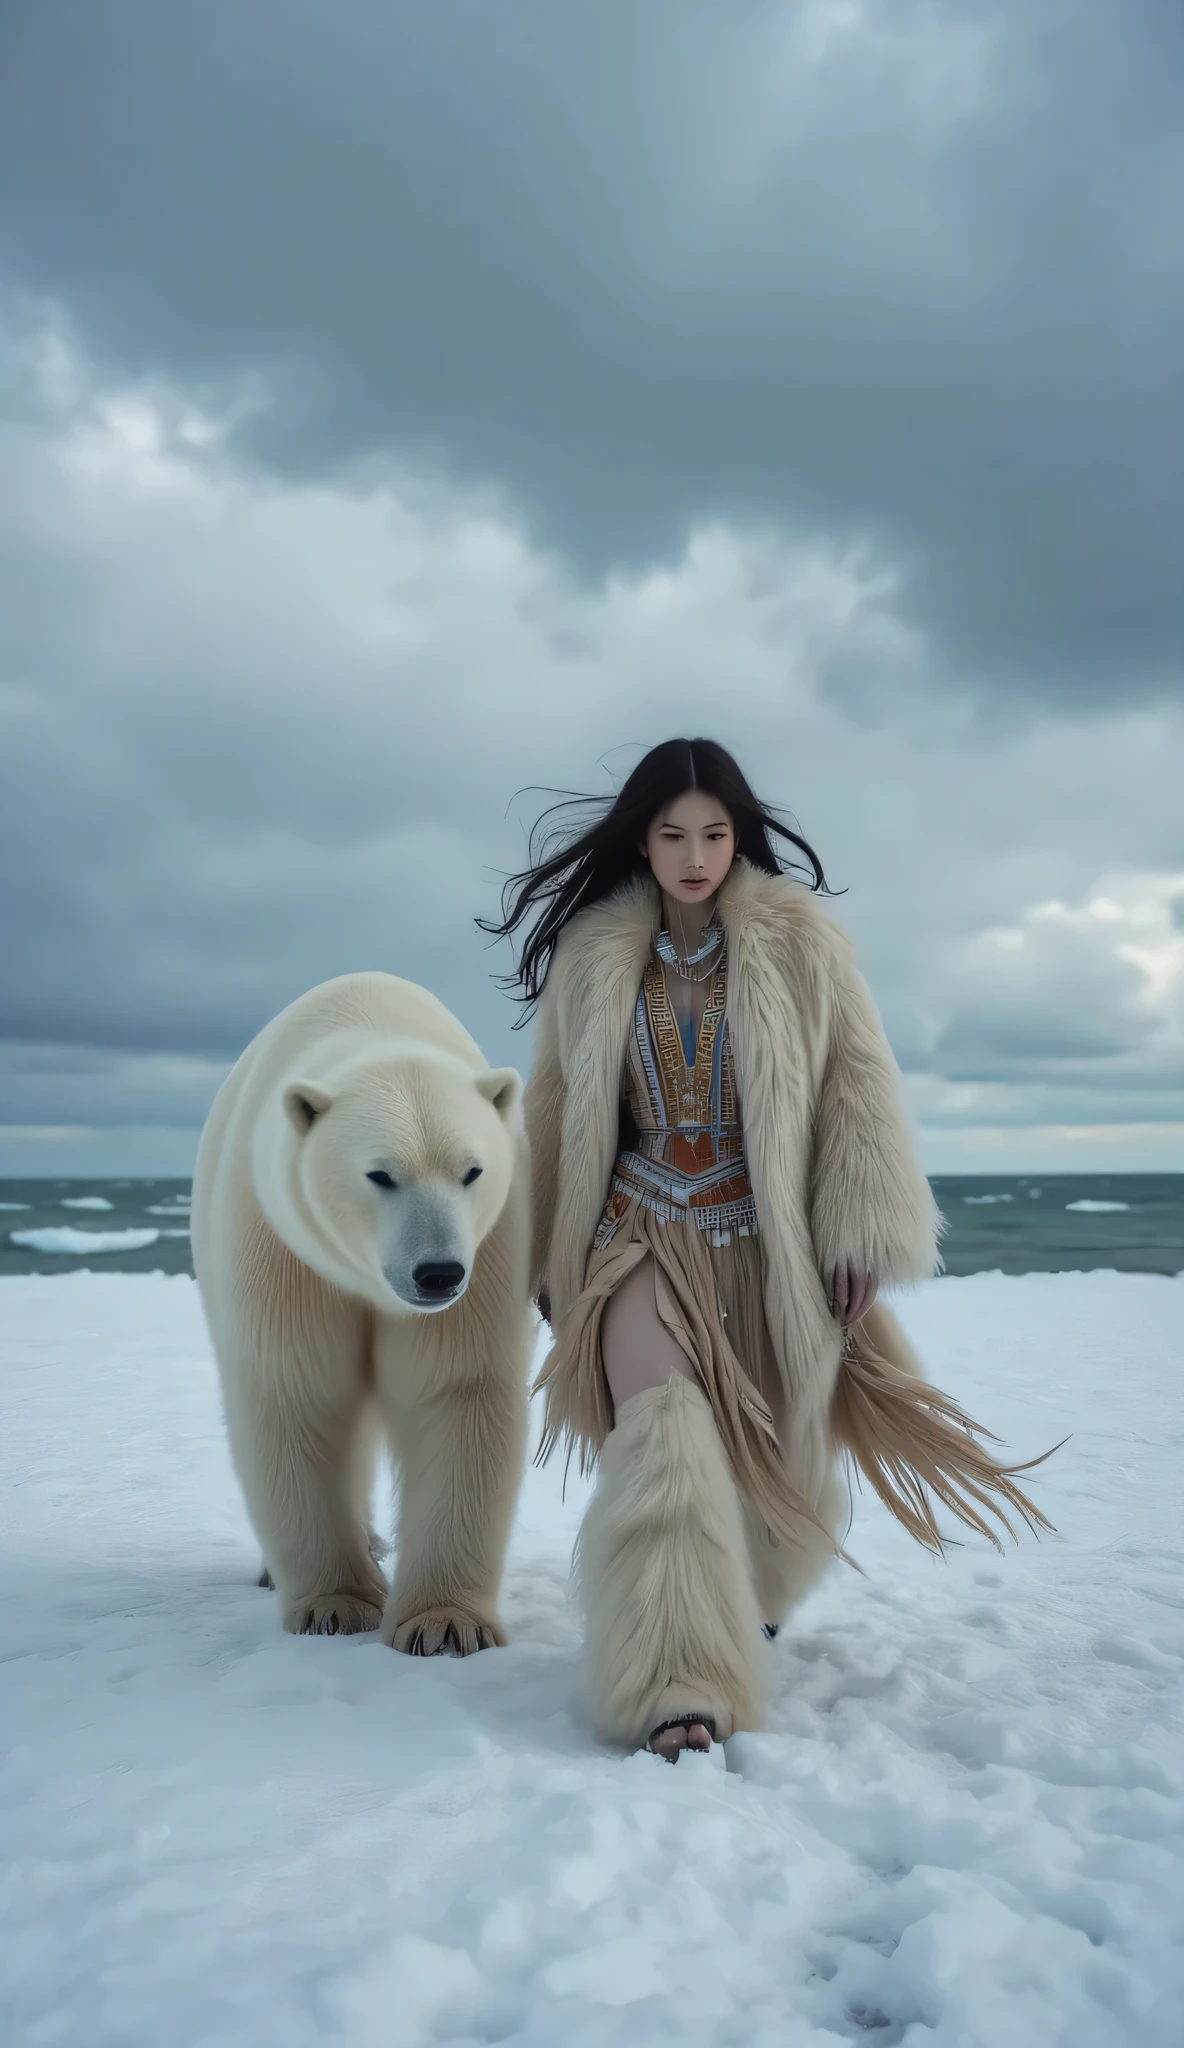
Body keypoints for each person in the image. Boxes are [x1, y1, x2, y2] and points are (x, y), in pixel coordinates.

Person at [485, 737, 1048, 1762]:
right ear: (641, 841)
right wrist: (543, 1255)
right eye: (670, 833)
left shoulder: (802, 942)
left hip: (765, 1236)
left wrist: (860, 1229)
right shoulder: (590, 954)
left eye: (712, 831)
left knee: (773, 1455)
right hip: (636, 1231)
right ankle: (673, 1676)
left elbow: (855, 1086)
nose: (693, 853)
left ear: (736, 835)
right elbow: (557, 1108)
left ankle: (754, 1588)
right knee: (659, 1433)